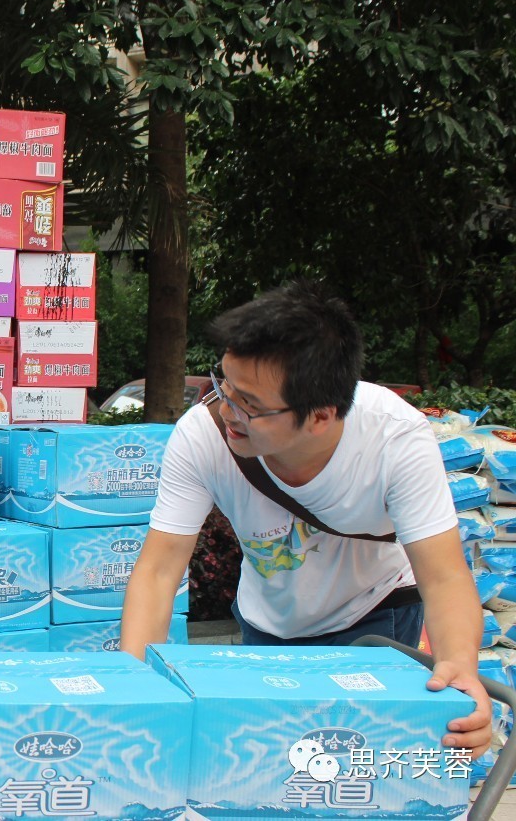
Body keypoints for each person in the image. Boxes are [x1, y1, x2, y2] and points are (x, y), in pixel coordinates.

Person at [120, 281, 491, 757]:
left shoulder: (395, 439)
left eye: (250, 405)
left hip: (372, 618)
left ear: (320, 416)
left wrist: (459, 669)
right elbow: (158, 571)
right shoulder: (202, 435)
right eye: (223, 384)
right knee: (270, 762)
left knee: (353, 765)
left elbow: (443, 576)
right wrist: (132, 689)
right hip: (268, 621)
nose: (227, 410)